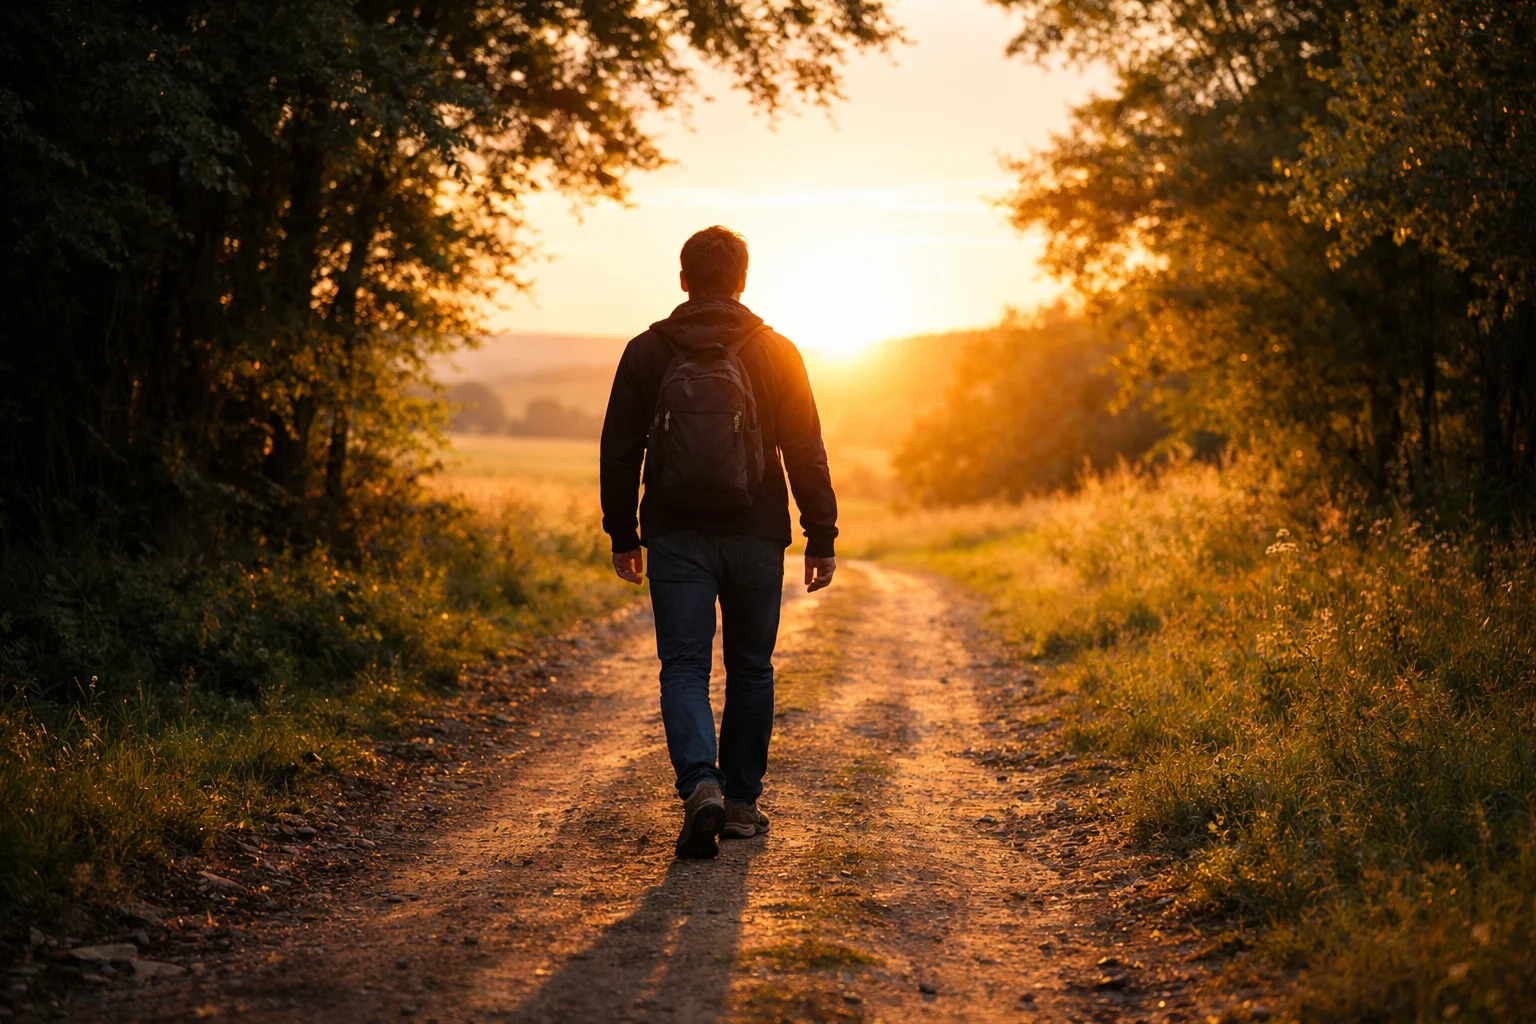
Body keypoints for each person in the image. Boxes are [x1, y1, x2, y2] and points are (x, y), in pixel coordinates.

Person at [600, 226, 839, 859]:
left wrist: (623, 532)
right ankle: (740, 804)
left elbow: (619, 450)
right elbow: (805, 449)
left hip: (674, 532)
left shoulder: (647, 350)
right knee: (751, 667)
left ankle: (700, 784)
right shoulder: (776, 351)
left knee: (684, 665)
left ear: (683, 279)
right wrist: (820, 534)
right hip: (756, 532)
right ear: (742, 280)